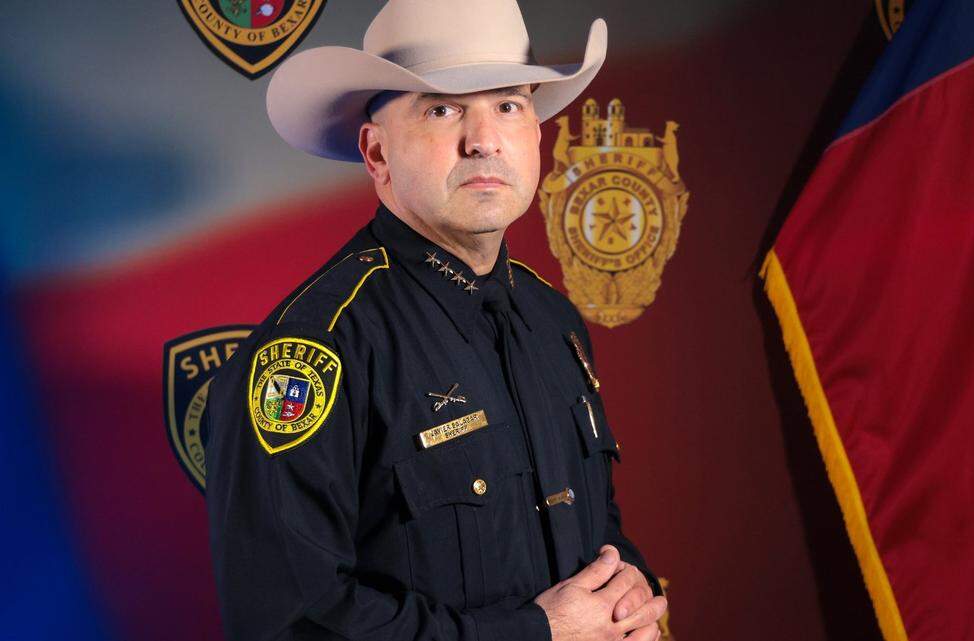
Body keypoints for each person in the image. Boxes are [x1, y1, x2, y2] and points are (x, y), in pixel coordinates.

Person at [204, 1, 668, 639]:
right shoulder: (314, 351)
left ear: (536, 134)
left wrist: (629, 593)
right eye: (442, 108)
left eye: (507, 105)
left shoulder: (549, 317)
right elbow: (290, 623)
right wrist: (537, 635)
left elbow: (593, 523)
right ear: (377, 153)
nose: (483, 138)